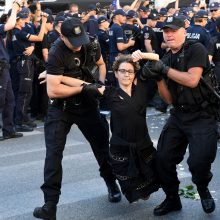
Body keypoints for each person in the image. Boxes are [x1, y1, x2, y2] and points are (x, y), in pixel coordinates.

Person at [40, 51, 160, 203]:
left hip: (143, 145)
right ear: (116, 73)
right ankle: (119, 185)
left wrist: (142, 54)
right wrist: (55, 76)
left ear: (135, 74)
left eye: (130, 71)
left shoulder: (141, 88)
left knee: (147, 186)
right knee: (131, 189)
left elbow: (156, 59)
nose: (126, 75)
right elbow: (84, 85)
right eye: (122, 71)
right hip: (121, 148)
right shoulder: (110, 93)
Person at [33, 17, 121, 220]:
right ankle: (50, 204)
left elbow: (100, 64)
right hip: (61, 108)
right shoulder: (56, 52)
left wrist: (98, 84)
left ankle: (111, 183)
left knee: (102, 148)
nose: (78, 45)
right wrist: (85, 87)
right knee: (53, 155)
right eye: (73, 41)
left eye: (80, 39)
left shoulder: (90, 43)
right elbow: (54, 90)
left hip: (88, 106)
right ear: (61, 36)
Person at [141, 16, 218, 216]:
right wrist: (159, 79)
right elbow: (168, 100)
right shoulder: (166, 58)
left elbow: (192, 80)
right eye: (166, 31)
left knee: (198, 163)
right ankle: (172, 199)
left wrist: (164, 70)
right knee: (163, 159)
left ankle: (202, 188)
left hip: (202, 114)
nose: (169, 34)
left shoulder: (196, 49)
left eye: (173, 30)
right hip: (179, 115)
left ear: (184, 31)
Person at [0, 0, 23, 140]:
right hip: (1, 68)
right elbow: (11, 24)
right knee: (1, 100)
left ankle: (8, 130)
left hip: (4, 68)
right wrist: (15, 7)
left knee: (9, 100)